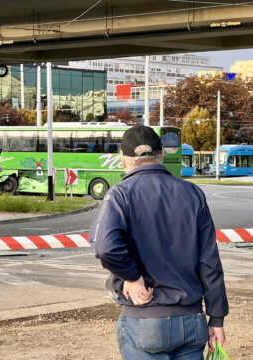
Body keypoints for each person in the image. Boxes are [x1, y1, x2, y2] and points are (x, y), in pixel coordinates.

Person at [90, 125, 228, 359]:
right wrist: (216, 318)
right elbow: (210, 263)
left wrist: (133, 277)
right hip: (192, 323)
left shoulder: (121, 194)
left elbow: (103, 245)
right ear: (162, 154)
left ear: (122, 159)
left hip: (145, 322)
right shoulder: (194, 194)